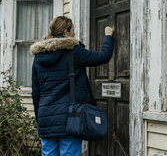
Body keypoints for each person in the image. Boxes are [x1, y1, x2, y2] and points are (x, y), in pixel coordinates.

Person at [30, 16, 114, 156]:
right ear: (66, 31)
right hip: (70, 117)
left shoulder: (38, 57)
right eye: (73, 30)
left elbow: (36, 92)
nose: (74, 34)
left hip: (46, 117)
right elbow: (103, 56)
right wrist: (108, 37)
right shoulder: (74, 52)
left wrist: (40, 120)